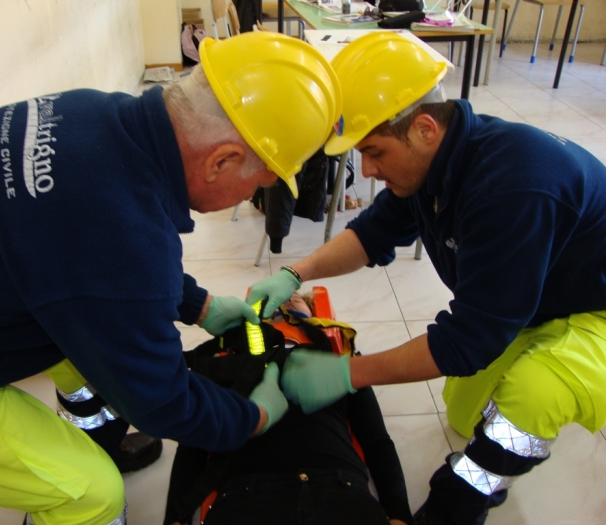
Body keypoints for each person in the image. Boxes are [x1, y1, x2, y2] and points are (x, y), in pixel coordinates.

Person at [0, 31, 341, 525]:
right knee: (95, 495)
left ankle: (96, 436)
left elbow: (89, 257)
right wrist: (254, 417)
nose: (250, 198)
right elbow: (164, 400)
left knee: (90, 356)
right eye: (257, 184)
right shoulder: (120, 235)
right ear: (222, 160)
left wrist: (197, 305)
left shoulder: (98, 115)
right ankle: (75, 496)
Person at [246, 31, 606, 525]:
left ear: (424, 129)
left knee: (529, 401)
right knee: (463, 413)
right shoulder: (436, 161)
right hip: (539, 299)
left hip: (597, 311)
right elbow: (373, 234)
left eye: (374, 152)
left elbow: (465, 342)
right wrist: (294, 272)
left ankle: (465, 499)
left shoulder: (512, 187)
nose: (368, 171)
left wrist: (348, 373)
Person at [163, 291, 413, 525]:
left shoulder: (342, 364)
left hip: (338, 488)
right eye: (271, 308)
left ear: (313, 316)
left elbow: (377, 442)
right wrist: (175, 518)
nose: (283, 306)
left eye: (293, 299)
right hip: (247, 493)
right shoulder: (225, 363)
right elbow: (193, 445)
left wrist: (399, 514)